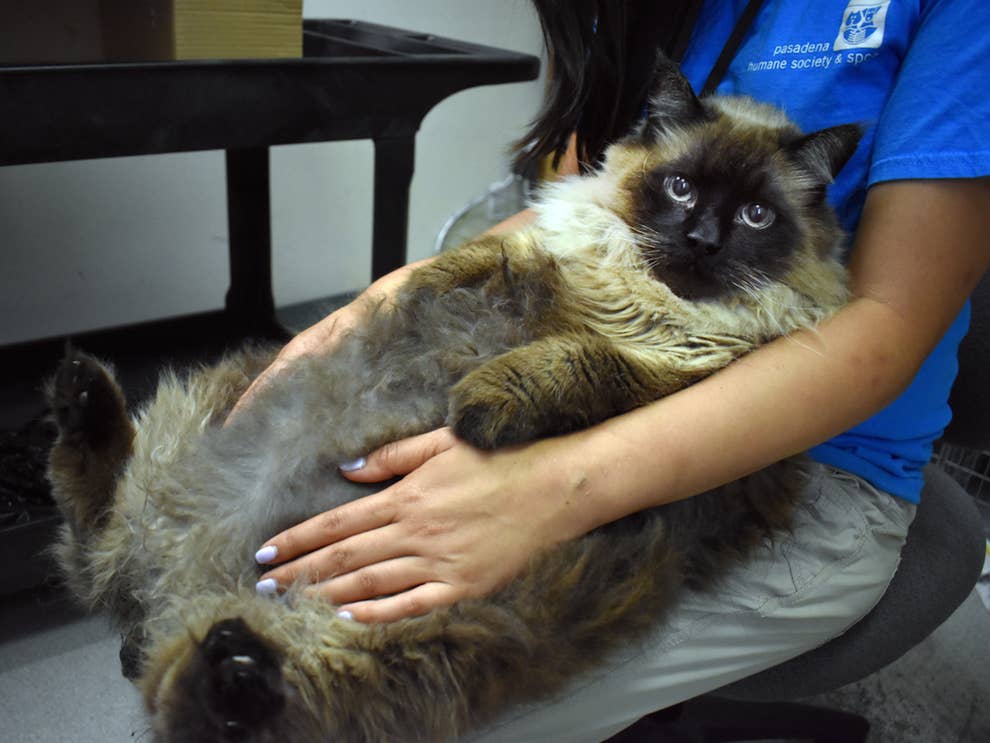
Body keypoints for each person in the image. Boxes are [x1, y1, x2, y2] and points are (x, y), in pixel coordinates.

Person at [233, 1, 990, 739]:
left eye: (754, 216)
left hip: (794, 458)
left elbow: (887, 323)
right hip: (578, 361)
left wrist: (556, 487)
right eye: (687, 193)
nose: (702, 233)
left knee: (374, 697)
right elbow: (584, 197)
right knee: (312, 501)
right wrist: (389, 291)